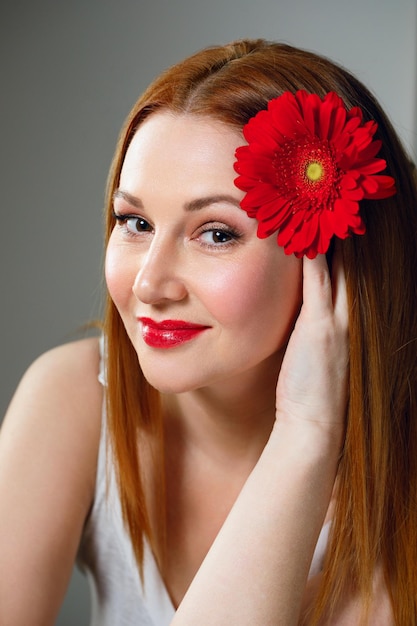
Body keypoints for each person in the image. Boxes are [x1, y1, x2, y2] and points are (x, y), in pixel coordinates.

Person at [0, 38, 416, 626]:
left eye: (216, 233)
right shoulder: (72, 397)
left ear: (335, 258)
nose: (150, 284)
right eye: (135, 222)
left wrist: (306, 435)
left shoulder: (399, 488)